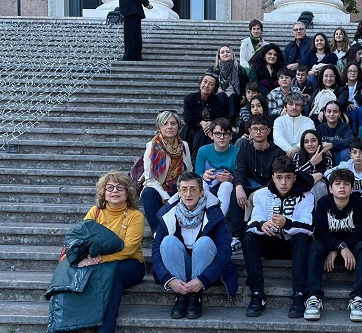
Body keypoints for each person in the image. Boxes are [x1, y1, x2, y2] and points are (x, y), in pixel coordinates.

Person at [58, 171, 145, 333]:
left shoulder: (136, 216)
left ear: (127, 193)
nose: (115, 191)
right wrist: (91, 258)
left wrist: (100, 259)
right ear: (103, 193)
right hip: (97, 262)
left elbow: (129, 248)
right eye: (110, 188)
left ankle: (105, 328)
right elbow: (81, 238)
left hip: (130, 264)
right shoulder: (95, 212)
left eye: (120, 188)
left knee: (113, 274)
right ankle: (75, 324)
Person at [151, 172, 239, 320]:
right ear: (178, 192)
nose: (188, 194)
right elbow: (156, 250)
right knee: (168, 242)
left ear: (201, 192)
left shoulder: (214, 213)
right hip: (179, 267)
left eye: (193, 189)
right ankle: (181, 295)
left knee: (204, 242)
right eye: (184, 189)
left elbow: (224, 251)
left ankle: (195, 296)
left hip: (205, 268)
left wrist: (203, 279)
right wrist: (169, 279)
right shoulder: (168, 214)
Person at [242, 156, 315, 318]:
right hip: (270, 243)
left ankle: (299, 295)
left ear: (294, 178)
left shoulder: (307, 195)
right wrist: (262, 225)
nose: (283, 183)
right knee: (249, 239)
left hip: (293, 246)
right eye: (279, 178)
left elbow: (309, 227)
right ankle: (257, 293)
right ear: (273, 177)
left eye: (288, 178)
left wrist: (287, 223)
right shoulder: (261, 195)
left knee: (302, 238)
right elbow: (250, 223)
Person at [304, 169, 362, 322]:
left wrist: (342, 247)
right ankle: (313, 297)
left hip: (352, 248)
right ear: (330, 188)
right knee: (315, 246)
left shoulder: (359, 203)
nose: (342, 187)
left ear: (352, 188)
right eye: (337, 184)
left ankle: (359, 299)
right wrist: (338, 248)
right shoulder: (323, 203)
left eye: (346, 184)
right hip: (329, 247)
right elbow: (320, 232)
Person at [230, 114, 284, 252]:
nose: (258, 132)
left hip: (270, 188)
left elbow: (278, 178)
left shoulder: (278, 152)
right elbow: (240, 171)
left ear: (268, 131)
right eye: (255, 129)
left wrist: (260, 191)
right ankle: (237, 236)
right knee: (235, 192)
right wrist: (238, 186)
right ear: (249, 131)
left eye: (262, 129)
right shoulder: (244, 151)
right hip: (250, 186)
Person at [141, 111, 192, 234]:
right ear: (159, 127)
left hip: (176, 187)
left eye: (173, 123)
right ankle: (157, 232)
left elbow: (188, 172)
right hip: (158, 189)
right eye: (165, 124)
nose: (169, 126)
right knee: (148, 193)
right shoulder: (152, 146)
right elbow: (150, 179)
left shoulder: (184, 146)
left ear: (178, 127)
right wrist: (165, 196)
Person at [195, 118, 239, 217]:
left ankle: (219, 220)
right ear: (211, 135)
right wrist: (204, 176)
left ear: (231, 136)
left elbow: (240, 176)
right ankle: (202, 218)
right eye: (218, 134)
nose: (222, 137)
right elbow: (197, 173)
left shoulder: (237, 152)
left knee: (226, 185)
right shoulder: (203, 151)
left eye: (226, 134)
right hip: (208, 184)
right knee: (201, 184)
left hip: (227, 186)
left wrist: (230, 178)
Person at [181, 74, 225, 160]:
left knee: (205, 132)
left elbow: (221, 119)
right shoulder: (190, 98)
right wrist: (201, 122)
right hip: (190, 130)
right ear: (200, 84)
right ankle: (195, 159)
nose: (207, 85)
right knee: (201, 130)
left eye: (211, 84)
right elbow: (187, 118)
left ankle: (196, 160)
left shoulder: (219, 102)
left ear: (214, 89)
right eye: (205, 82)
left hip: (209, 132)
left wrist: (211, 124)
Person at [207, 45, 248, 127]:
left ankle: (230, 121)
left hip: (235, 97)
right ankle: (222, 120)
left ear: (232, 54)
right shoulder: (213, 70)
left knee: (233, 96)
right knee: (222, 95)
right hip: (218, 96)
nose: (225, 54)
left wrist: (244, 95)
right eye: (222, 52)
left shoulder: (239, 69)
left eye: (228, 52)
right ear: (219, 56)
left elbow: (246, 85)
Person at [293, 129, 333, 201]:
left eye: (313, 140)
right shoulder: (297, 156)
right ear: (302, 144)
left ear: (319, 142)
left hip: (320, 190)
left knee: (317, 185)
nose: (310, 144)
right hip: (301, 187)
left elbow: (330, 179)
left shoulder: (327, 158)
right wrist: (311, 163)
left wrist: (320, 176)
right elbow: (294, 176)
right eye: (306, 142)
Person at [337, 61, 362, 134]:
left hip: (360, 109)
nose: (353, 73)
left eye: (355, 71)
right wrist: (348, 103)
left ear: (358, 73)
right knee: (352, 111)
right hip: (346, 110)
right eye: (350, 71)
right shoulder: (341, 86)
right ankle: (352, 135)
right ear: (346, 73)